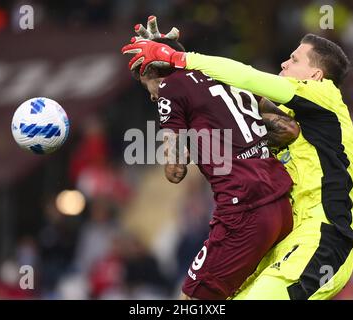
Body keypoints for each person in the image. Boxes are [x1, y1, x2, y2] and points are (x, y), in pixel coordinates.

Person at [122, 20, 353, 300]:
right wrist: (168, 51)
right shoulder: (300, 117)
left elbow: (247, 77)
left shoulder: (324, 95)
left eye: (294, 59)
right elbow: (222, 100)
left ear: (316, 75)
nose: (284, 63)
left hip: (323, 240)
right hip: (286, 237)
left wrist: (177, 58)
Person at [122, 34, 298, 299]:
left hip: (244, 212)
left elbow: (175, 171)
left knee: (191, 299)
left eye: (146, 83)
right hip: (282, 206)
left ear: (155, 69)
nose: (150, 94)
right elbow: (289, 130)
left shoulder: (171, 88)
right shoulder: (222, 72)